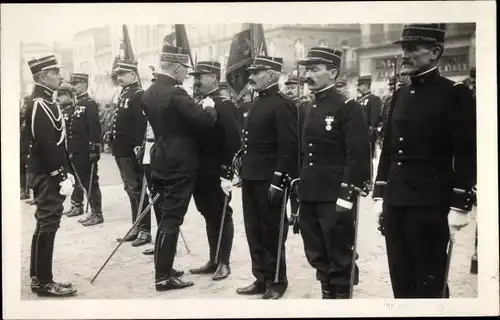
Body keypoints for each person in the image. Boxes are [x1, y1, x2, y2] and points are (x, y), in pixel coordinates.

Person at [372, 23, 477, 298]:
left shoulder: (455, 94)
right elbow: (388, 150)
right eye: (404, 48)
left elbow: (466, 153)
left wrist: (459, 206)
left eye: (413, 49)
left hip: (431, 205)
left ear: (435, 52)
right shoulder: (399, 94)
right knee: (401, 280)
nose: (405, 54)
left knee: (430, 283)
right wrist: (380, 195)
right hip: (396, 202)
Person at [293, 47, 370, 299]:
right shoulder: (308, 107)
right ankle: (327, 291)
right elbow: (304, 153)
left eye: (314, 70)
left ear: (333, 73)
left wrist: (346, 196)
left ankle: (341, 298)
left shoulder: (348, 107)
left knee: (338, 250)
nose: (308, 75)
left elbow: (357, 154)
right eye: (307, 69)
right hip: (311, 192)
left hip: (334, 195)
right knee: (316, 250)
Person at [141, 45, 217, 292]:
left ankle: (164, 267)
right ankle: (163, 277)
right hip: (180, 162)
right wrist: (208, 106)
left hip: (160, 158)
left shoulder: (149, 91)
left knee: (164, 215)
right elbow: (203, 122)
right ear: (176, 67)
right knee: (172, 219)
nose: (186, 74)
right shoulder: (176, 93)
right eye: (185, 69)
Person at [236, 55, 298, 300]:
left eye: (256, 72)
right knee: (254, 229)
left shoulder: (282, 104)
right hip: (251, 176)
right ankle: (260, 278)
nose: (250, 77)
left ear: (271, 75)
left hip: (269, 179)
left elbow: (289, 146)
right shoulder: (257, 101)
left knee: (272, 230)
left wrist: (279, 179)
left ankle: (276, 281)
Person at [24, 55, 77, 297]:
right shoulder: (39, 104)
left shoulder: (46, 101)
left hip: (47, 173)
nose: (60, 76)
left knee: (44, 223)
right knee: (48, 224)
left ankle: (39, 277)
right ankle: (44, 281)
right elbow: (46, 144)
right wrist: (59, 176)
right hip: (46, 174)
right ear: (42, 76)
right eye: (55, 72)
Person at [187, 61, 240, 281]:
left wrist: (227, 172)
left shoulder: (224, 105)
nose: (196, 80)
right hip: (199, 171)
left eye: (201, 76)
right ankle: (213, 259)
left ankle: (224, 262)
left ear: (214, 78)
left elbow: (233, 141)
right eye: (195, 76)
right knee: (208, 214)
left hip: (217, 170)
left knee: (221, 214)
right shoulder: (197, 103)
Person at [104, 59, 151, 246]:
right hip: (121, 149)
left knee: (137, 189)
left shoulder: (138, 94)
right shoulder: (124, 93)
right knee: (130, 189)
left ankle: (144, 230)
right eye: (118, 74)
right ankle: (136, 226)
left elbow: (140, 126)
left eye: (123, 74)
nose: (119, 77)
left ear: (133, 75)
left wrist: (139, 148)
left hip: (131, 150)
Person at [58, 73, 103, 226]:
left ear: (84, 84)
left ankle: (97, 213)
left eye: (76, 84)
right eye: (72, 84)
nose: (73, 87)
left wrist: (93, 149)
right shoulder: (78, 104)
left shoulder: (89, 104)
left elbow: (94, 127)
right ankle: (92, 211)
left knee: (91, 182)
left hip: (85, 151)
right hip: (77, 150)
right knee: (84, 182)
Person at [356, 75, 382, 160]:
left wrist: (371, 129)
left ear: (367, 85)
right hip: (358, 132)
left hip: (368, 133)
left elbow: (374, 117)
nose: (358, 87)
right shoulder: (358, 99)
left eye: (360, 85)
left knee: (367, 157)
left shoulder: (374, 99)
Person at [20, 95, 32, 200]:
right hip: (21, 148)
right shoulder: (21, 118)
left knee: (29, 171)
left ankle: (30, 193)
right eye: (24, 103)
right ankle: (23, 191)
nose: (25, 105)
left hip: (28, 148)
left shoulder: (30, 118)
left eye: (27, 103)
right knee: (21, 171)